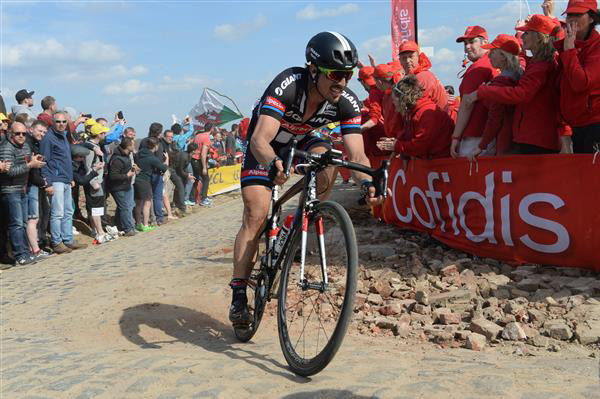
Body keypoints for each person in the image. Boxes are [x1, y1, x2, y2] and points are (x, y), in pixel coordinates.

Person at [229, 32, 386, 327]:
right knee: (256, 213)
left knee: (329, 160)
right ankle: (238, 292)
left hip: (303, 141)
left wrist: (367, 183)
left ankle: (301, 217)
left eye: (348, 75)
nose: (342, 83)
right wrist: (273, 163)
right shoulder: (289, 84)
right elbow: (260, 140)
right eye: (335, 74)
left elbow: (357, 154)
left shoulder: (345, 100)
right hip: (266, 146)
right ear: (313, 70)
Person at [463, 15, 569, 154]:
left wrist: (482, 92)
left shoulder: (540, 67)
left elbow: (521, 94)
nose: (488, 55)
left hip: (535, 138)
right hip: (533, 136)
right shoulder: (538, 63)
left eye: (527, 32)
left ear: (538, 37)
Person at [464, 34, 523, 159]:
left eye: (493, 52)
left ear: (503, 56)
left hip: (506, 141)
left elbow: (495, 119)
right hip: (519, 137)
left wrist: (481, 146)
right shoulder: (520, 74)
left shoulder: (501, 82)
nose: (489, 55)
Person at [555, 0, 600, 153]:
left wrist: (569, 51)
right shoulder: (567, 46)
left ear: (592, 18)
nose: (572, 19)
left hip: (594, 125)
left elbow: (581, 83)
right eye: (569, 15)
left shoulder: (597, 47)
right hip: (576, 126)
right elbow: (560, 91)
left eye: (578, 14)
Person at [40, 111, 87, 254]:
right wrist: (47, 183)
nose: (61, 124)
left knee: (68, 211)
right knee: (58, 213)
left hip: (66, 179)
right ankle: (56, 242)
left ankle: (68, 240)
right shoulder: (48, 138)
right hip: (55, 180)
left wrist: (70, 177)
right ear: (53, 123)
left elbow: (66, 160)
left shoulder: (64, 137)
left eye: (63, 122)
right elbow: (44, 161)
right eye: (58, 122)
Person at [0, 122, 46, 266]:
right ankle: (20, 255)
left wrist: (33, 161)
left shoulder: (25, 145)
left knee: (24, 223)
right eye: (17, 133)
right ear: (10, 134)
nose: (21, 136)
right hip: (10, 190)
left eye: (24, 134)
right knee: (17, 224)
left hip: (22, 189)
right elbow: (9, 171)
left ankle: (27, 253)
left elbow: (25, 164)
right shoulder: (6, 148)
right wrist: (29, 165)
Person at [376, 76, 453, 159]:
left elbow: (421, 146)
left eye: (394, 101)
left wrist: (396, 145)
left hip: (441, 163)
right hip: (432, 162)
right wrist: (396, 142)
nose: (394, 105)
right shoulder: (412, 112)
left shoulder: (426, 114)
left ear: (403, 99)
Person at [451, 26, 498, 157]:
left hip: (475, 137)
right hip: (490, 135)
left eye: (472, 42)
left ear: (485, 42)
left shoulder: (479, 67)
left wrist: (455, 137)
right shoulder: (494, 62)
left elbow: (467, 103)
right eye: (465, 43)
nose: (467, 47)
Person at [26, 120, 51, 259]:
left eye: (44, 132)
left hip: (35, 184)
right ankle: (34, 250)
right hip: (31, 186)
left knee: (36, 217)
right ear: (31, 129)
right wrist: (42, 182)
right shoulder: (29, 144)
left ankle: (35, 247)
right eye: (39, 131)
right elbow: (31, 170)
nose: (42, 134)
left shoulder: (35, 144)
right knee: (33, 218)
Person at [397, 41, 448, 110]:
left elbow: (416, 106)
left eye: (411, 56)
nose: (407, 61)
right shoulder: (417, 75)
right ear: (399, 60)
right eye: (404, 58)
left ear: (418, 57)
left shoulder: (423, 77)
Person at [84, 123, 112, 243]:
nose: (105, 135)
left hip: (98, 180)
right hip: (95, 182)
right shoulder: (91, 150)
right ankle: (100, 232)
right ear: (98, 134)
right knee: (96, 208)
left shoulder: (95, 146)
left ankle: (97, 230)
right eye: (103, 133)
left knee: (97, 207)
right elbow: (87, 167)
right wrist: (93, 182)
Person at [134, 137, 167, 231]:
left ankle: (138, 224)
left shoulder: (138, 154)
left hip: (136, 180)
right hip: (145, 181)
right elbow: (163, 168)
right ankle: (145, 225)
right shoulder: (152, 158)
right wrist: (166, 161)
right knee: (147, 203)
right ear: (156, 146)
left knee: (138, 203)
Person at [108, 137, 138, 236]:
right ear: (128, 146)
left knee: (129, 206)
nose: (134, 146)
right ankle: (128, 229)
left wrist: (133, 169)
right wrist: (127, 175)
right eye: (133, 144)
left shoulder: (126, 155)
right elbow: (113, 176)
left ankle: (124, 226)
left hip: (126, 185)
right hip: (118, 187)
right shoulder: (117, 159)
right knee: (124, 207)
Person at [190, 125, 212, 206]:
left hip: (193, 159)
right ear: (212, 129)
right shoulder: (207, 138)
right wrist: (204, 167)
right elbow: (203, 154)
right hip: (199, 160)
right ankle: (203, 199)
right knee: (206, 179)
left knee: (195, 179)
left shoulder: (197, 135)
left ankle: (192, 199)